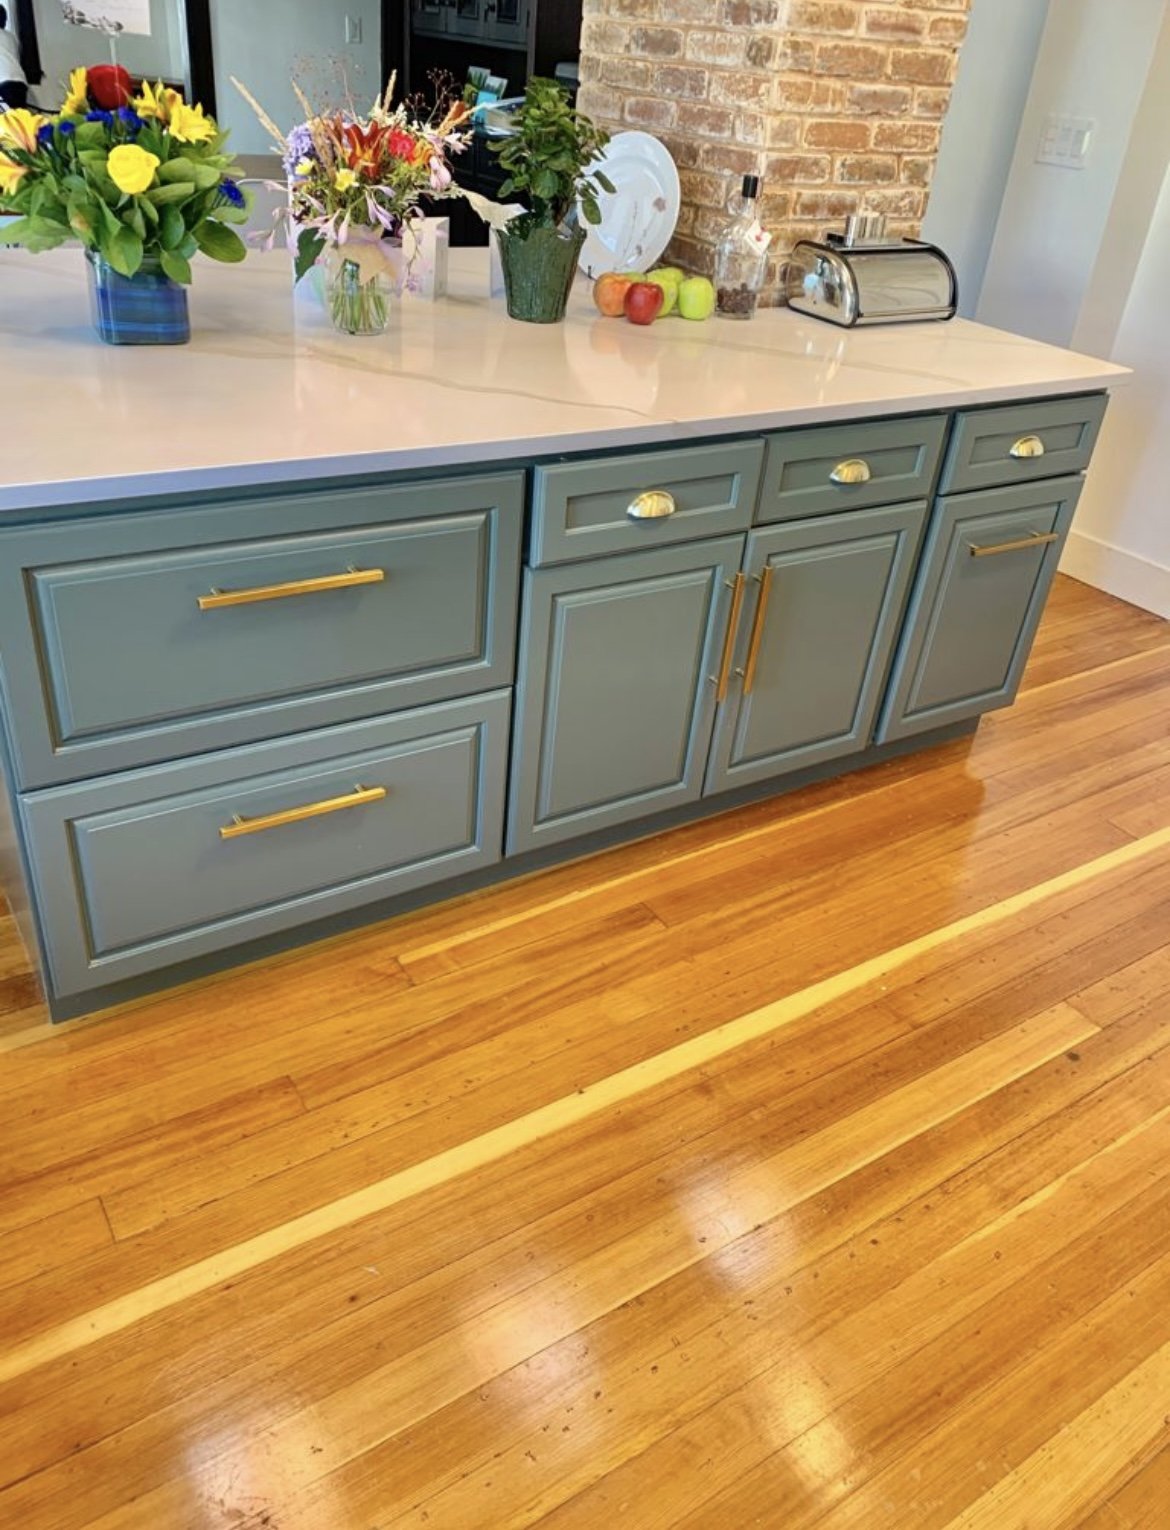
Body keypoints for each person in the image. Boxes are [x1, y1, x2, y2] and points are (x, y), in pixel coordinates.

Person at [0, 4, 29, 111]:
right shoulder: (12, 38)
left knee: (6, 119)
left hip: (3, 81)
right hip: (20, 82)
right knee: (18, 117)